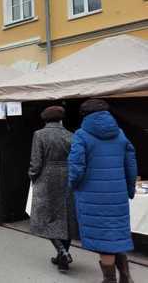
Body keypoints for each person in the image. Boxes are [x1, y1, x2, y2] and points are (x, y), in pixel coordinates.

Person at [69, 99, 137, 283]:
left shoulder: (81, 135)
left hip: (92, 195)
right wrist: (130, 189)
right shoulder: (120, 134)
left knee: (104, 242)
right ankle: (125, 277)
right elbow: (131, 164)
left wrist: (73, 185)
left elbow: (76, 168)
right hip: (117, 194)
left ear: (84, 115)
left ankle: (109, 280)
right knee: (115, 236)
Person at [29, 106, 78, 272]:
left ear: (45, 119)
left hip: (47, 177)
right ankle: (62, 256)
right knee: (66, 217)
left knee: (45, 216)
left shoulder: (39, 135)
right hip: (68, 176)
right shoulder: (70, 135)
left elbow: (36, 162)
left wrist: (33, 176)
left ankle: (62, 252)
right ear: (61, 119)